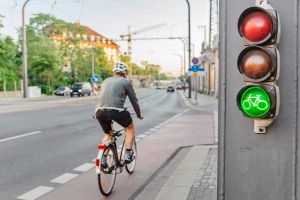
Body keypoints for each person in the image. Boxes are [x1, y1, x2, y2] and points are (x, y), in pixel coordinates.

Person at [94, 62, 143, 167]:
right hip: (115, 110)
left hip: (99, 111)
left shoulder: (106, 81)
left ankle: (103, 159)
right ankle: (128, 154)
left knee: (108, 134)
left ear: (114, 72)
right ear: (125, 73)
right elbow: (134, 100)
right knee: (130, 127)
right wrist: (138, 114)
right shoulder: (126, 82)